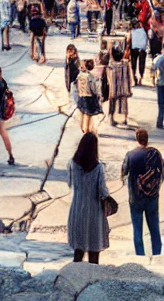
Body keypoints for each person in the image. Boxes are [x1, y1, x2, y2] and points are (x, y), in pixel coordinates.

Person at [67, 132, 110, 264]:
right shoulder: (97, 168)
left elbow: (70, 184)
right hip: (94, 211)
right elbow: (102, 190)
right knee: (94, 251)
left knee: (78, 252)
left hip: (77, 209)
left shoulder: (72, 164)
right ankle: (93, 280)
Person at [121, 128, 164, 257]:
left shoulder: (131, 155)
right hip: (152, 196)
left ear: (137, 139)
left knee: (137, 230)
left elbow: (124, 172)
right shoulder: (155, 153)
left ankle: (140, 255)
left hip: (135, 196)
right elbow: (161, 172)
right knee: (154, 228)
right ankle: (157, 254)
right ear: (147, 139)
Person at [76, 58, 103, 134]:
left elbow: (77, 86)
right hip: (89, 97)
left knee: (82, 113)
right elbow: (93, 88)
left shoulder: (80, 75)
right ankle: (86, 129)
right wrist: (96, 94)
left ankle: (82, 127)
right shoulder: (90, 76)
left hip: (81, 96)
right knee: (88, 114)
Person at [108, 45, 132, 126]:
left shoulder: (111, 65)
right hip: (123, 87)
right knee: (124, 103)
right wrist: (129, 88)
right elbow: (128, 76)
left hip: (113, 88)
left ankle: (111, 118)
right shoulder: (125, 64)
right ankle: (125, 119)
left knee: (112, 103)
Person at [129, 20, 148, 84]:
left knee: (140, 64)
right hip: (135, 49)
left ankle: (140, 78)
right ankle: (135, 78)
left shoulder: (142, 31)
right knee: (134, 64)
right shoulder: (133, 31)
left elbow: (145, 41)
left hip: (140, 49)